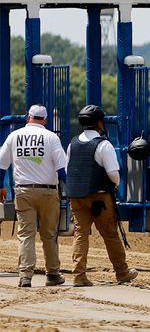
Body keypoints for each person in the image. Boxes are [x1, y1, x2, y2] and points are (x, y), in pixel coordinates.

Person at [65, 105, 136, 286]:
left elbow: (67, 170)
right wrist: (114, 186)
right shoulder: (103, 145)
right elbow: (114, 174)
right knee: (110, 234)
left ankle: (79, 275)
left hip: (76, 197)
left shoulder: (72, 144)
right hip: (100, 198)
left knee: (80, 234)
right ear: (98, 122)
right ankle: (121, 272)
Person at [0, 104, 68, 287]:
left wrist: (0, 186)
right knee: (49, 234)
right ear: (45, 120)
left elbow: (1, 164)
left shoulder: (14, 136)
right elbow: (62, 169)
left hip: (23, 191)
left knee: (26, 234)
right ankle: (53, 274)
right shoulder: (51, 137)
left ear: (27, 117)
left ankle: (25, 275)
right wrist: (69, 190)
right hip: (47, 191)